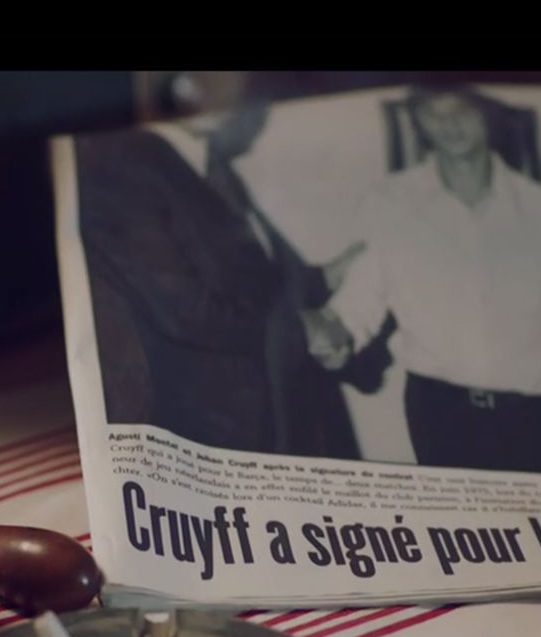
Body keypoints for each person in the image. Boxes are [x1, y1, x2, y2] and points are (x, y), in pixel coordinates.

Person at [305, 86, 541, 476]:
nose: (449, 123)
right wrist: (335, 335)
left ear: (491, 113)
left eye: (463, 109)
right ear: (416, 120)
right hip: (442, 416)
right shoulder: (388, 204)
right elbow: (358, 301)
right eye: (433, 112)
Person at [75, 80, 362, 458]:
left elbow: (250, 278)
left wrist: (324, 277)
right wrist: (299, 328)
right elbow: (186, 312)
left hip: (275, 411)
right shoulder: (119, 163)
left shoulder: (209, 162)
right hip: (221, 431)